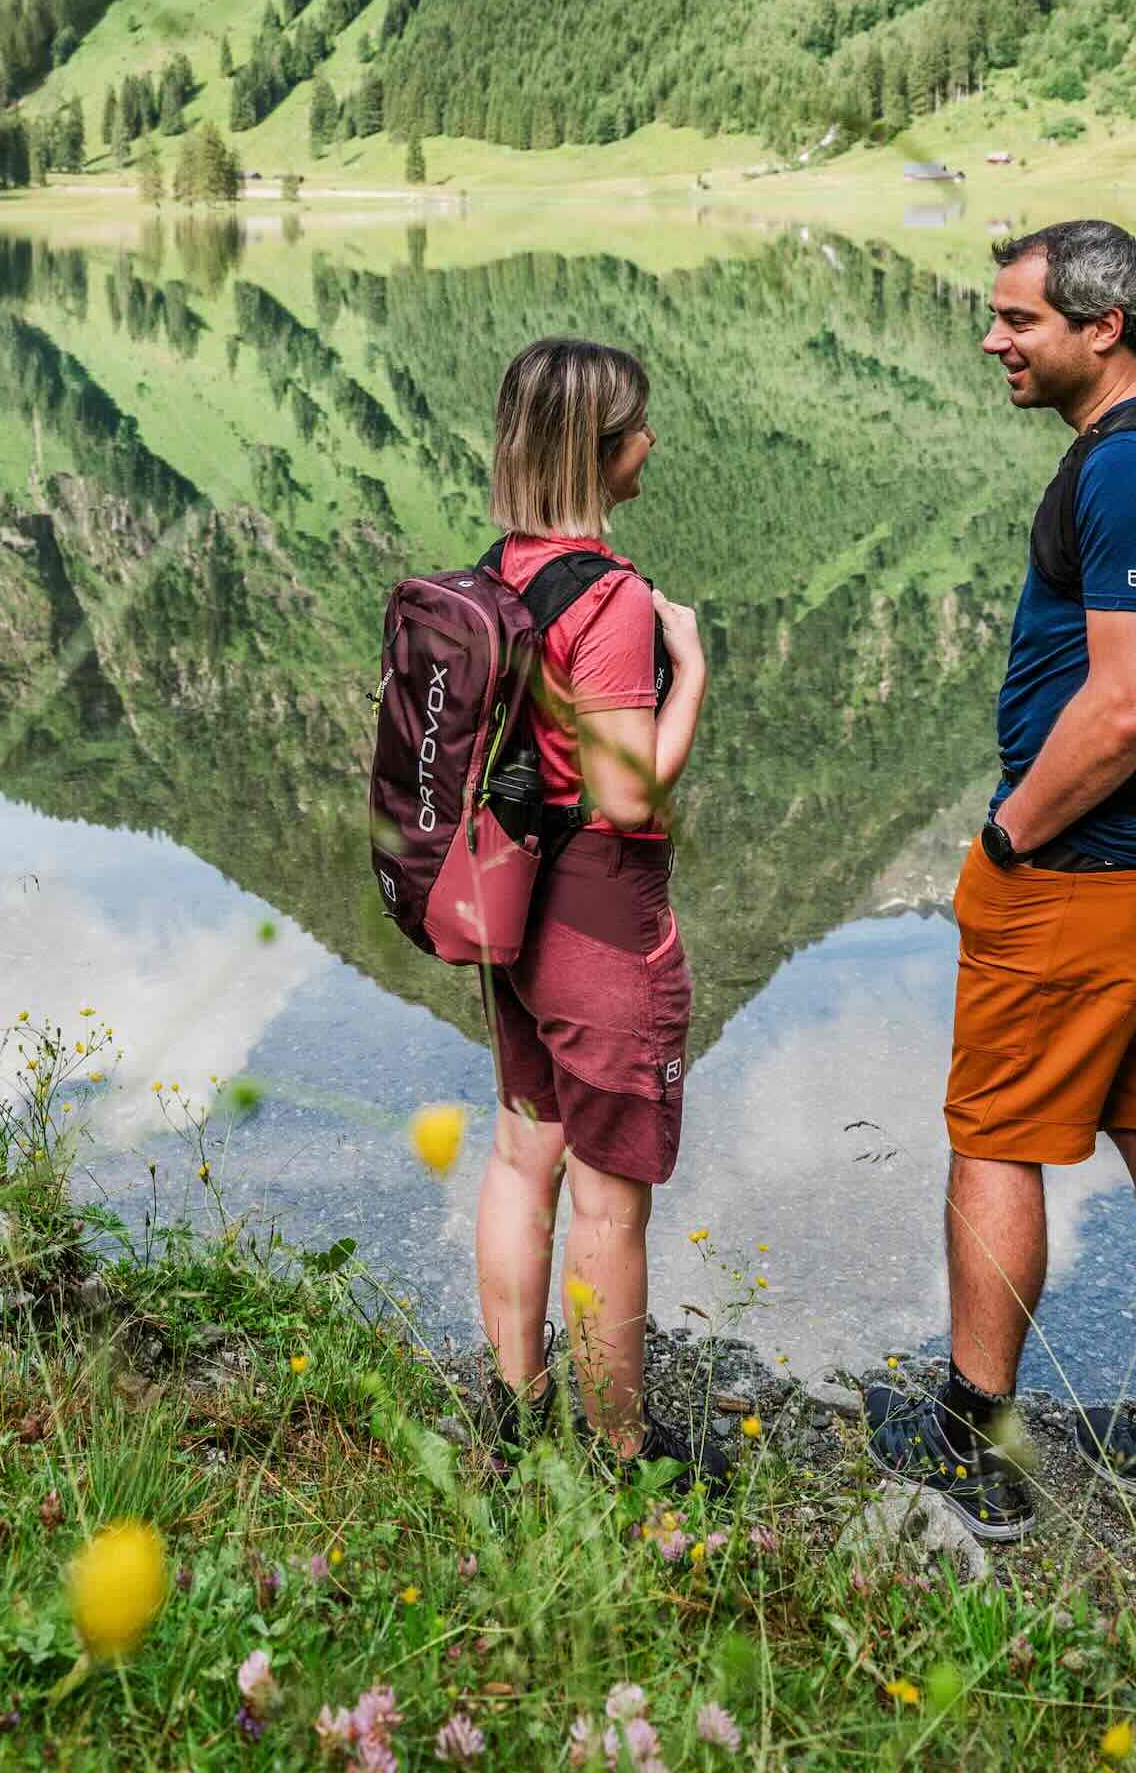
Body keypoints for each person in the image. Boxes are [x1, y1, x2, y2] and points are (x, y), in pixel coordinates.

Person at [874, 219, 1136, 1536]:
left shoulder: (1135, 472)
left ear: (1104, 328)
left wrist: (1007, 840)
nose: (993, 339)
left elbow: (1128, 707)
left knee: (995, 1135)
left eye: (1018, 319)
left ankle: (972, 1444)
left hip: (1082, 866)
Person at [470, 334, 717, 1474]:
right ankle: (621, 1452)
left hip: (510, 909)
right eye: (638, 427)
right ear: (600, 450)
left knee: (524, 1157)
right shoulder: (610, 600)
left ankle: (514, 1415)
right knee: (611, 1199)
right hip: (600, 924)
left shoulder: (501, 571)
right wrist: (691, 673)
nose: (651, 441)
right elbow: (625, 795)